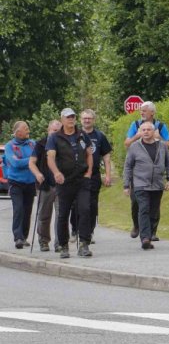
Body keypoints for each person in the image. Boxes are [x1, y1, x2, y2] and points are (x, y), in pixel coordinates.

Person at [46, 108, 94, 258]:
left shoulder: (82, 135)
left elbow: (89, 154)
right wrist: (56, 172)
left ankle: (84, 244)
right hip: (64, 181)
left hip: (82, 180)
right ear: (62, 120)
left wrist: (89, 172)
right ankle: (64, 245)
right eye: (68, 117)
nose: (71, 119)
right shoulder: (55, 138)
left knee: (85, 209)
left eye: (73, 117)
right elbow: (50, 158)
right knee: (63, 214)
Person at [124, 101, 169, 240]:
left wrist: (158, 137)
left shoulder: (161, 126)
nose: (141, 113)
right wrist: (138, 135)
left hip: (155, 176)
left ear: (152, 112)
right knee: (136, 203)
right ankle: (137, 225)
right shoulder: (136, 125)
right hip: (138, 173)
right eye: (140, 111)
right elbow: (127, 143)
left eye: (144, 110)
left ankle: (151, 232)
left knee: (154, 206)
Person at [79, 109, 112, 243]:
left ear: (94, 120)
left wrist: (108, 175)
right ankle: (76, 230)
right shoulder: (75, 134)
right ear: (80, 120)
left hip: (94, 175)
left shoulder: (100, 136)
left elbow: (106, 156)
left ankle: (89, 232)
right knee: (77, 205)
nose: (87, 120)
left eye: (89, 118)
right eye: (84, 118)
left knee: (91, 205)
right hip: (77, 175)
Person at [29, 120, 61, 251]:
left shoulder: (64, 145)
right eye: (54, 131)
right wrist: (37, 174)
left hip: (61, 185)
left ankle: (60, 243)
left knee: (61, 215)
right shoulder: (40, 144)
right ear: (48, 130)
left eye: (58, 131)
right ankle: (43, 241)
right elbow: (31, 163)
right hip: (45, 184)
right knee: (43, 215)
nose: (56, 133)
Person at [4, 121, 37, 248]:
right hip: (15, 182)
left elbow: (38, 158)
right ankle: (17, 237)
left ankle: (24, 236)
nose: (28, 130)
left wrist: (31, 161)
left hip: (30, 182)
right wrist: (31, 160)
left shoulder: (32, 144)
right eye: (26, 128)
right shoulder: (9, 146)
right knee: (18, 209)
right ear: (18, 132)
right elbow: (15, 163)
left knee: (27, 210)